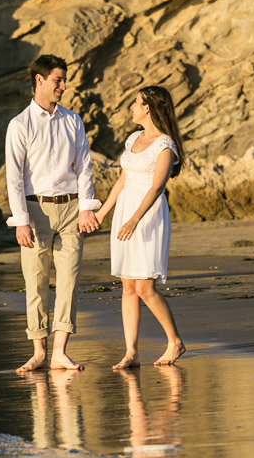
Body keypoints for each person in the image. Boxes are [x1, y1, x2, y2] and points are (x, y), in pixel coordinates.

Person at [5, 54, 101, 373]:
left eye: (64, 79)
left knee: (69, 280)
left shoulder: (72, 120)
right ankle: (38, 351)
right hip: (36, 210)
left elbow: (85, 167)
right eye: (58, 79)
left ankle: (60, 351)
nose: (63, 85)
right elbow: (14, 177)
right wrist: (21, 221)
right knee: (36, 281)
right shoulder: (20, 124)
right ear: (39, 80)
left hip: (72, 207)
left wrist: (87, 207)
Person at [95, 86, 187, 367]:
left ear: (148, 107)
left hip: (147, 215)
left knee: (146, 286)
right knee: (127, 286)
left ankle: (175, 342)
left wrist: (135, 219)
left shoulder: (165, 145)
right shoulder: (134, 138)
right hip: (125, 211)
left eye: (135, 103)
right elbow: (122, 180)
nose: (131, 108)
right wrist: (102, 214)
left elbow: (157, 187)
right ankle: (131, 352)